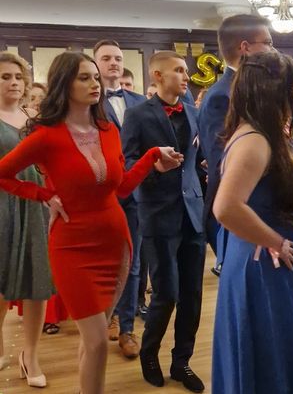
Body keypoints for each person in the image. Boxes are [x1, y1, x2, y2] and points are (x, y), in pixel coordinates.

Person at [0, 51, 181, 394]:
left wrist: (151, 156)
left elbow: (122, 187)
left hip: (115, 243)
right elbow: (3, 174)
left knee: (92, 340)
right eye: (84, 78)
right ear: (64, 84)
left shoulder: (108, 129)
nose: (94, 84)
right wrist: (45, 195)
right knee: (98, 341)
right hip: (71, 246)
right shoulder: (46, 135)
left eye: (95, 77)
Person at [212, 50, 293, 394]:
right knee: (271, 355)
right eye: (291, 89)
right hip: (264, 260)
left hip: (266, 255)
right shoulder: (255, 140)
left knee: (280, 349)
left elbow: (261, 188)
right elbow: (226, 208)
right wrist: (274, 241)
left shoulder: (259, 134)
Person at [121, 51, 206, 393]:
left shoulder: (194, 112)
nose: (186, 76)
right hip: (157, 213)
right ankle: (149, 354)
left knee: (192, 295)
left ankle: (181, 361)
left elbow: (199, 158)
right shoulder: (137, 115)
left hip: (193, 214)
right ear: (157, 75)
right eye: (179, 70)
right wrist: (153, 166)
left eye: (186, 71)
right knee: (166, 293)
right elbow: (127, 163)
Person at [198, 14, 274, 263]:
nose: (273, 50)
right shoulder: (223, 96)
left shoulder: (248, 91)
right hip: (242, 209)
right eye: (268, 43)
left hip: (259, 204)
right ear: (245, 47)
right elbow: (225, 162)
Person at [0, 52, 52, 388]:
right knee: (1, 283)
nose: (14, 83)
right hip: (2, 207)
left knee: (38, 284)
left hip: (36, 207)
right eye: (5, 77)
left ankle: (30, 355)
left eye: (18, 77)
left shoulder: (35, 118)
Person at [93, 39, 147, 357]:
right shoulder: (87, 101)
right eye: (106, 58)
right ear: (95, 63)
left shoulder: (140, 102)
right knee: (105, 261)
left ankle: (127, 328)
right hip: (102, 194)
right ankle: (108, 317)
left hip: (137, 194)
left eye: (117, 58)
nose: (113, 63)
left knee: (133, 262)